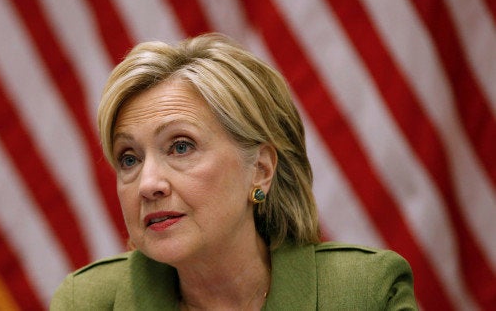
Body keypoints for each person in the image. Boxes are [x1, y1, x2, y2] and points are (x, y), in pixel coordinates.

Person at [50, 33, 417, 310]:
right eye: (129, 158)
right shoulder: (85, 302)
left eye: (181, 147)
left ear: (259, 170)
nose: (148, 184)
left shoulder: (366, 293)